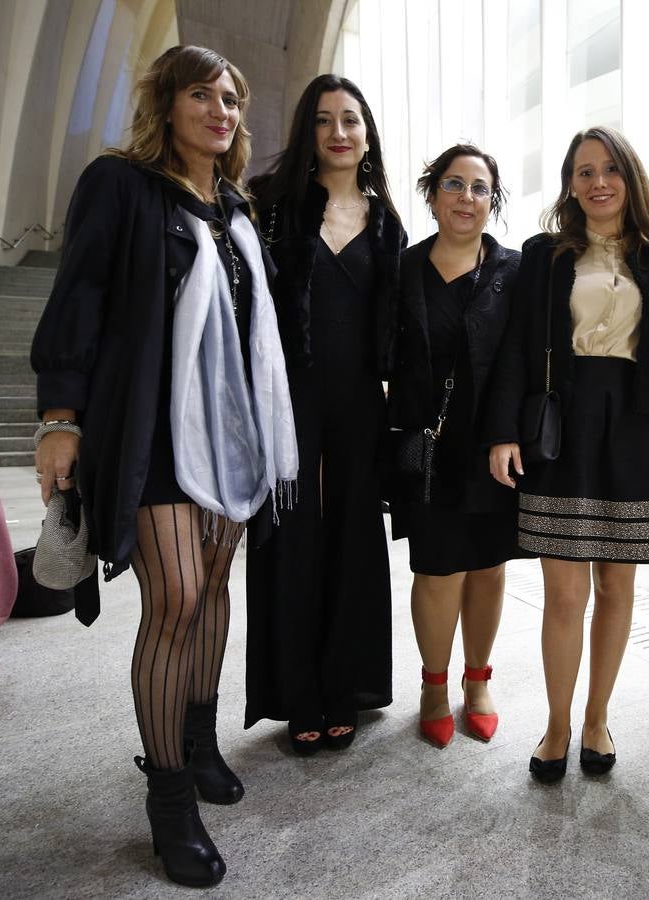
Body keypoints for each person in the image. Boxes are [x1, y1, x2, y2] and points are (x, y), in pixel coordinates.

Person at [31, 46, 297, 887]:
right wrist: (59, 418)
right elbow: (78, 296)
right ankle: (169, 799)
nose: (221, 110)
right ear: (165, 103)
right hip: (146, 426)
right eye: (201, 94)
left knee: (215, 591)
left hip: (229, 433)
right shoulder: (120, 184)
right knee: (176, 597)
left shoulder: (235, 208)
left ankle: (197, 738)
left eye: (231, 97)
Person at [485, 126, 649, 782]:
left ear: (629, 177)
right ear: (570, 183)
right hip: (561, 429)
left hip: (637, 428)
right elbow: (517, 344)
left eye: (608, 169)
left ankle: (598, 717)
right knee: (563, 591)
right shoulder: (544, 254)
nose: (596, 182)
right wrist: (503, 430)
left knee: (616, 582)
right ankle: (556, 722)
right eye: (582, 171)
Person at [244, 74, 405, 754]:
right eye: (323, 120)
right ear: (305, 131)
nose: (338, 132)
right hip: (286, 397)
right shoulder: (268, 206)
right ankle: (297, 692)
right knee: (290, 534)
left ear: (367, 134)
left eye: (351, 120)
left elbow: (396, 332)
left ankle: (346, 685)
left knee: (353, 538)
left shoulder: (387, 220)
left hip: (361, 401)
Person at [385, 144, 526, 747]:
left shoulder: (515, 270)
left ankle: (477, 681)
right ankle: (435, 685)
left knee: (489, 568)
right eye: (453, 184)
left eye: (479, 187)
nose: (466, 197)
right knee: (438, 569)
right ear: (432, 194)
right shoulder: (402, 268)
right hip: (427, 448)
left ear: (492, 200)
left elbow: (525, 360)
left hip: (495, 444)